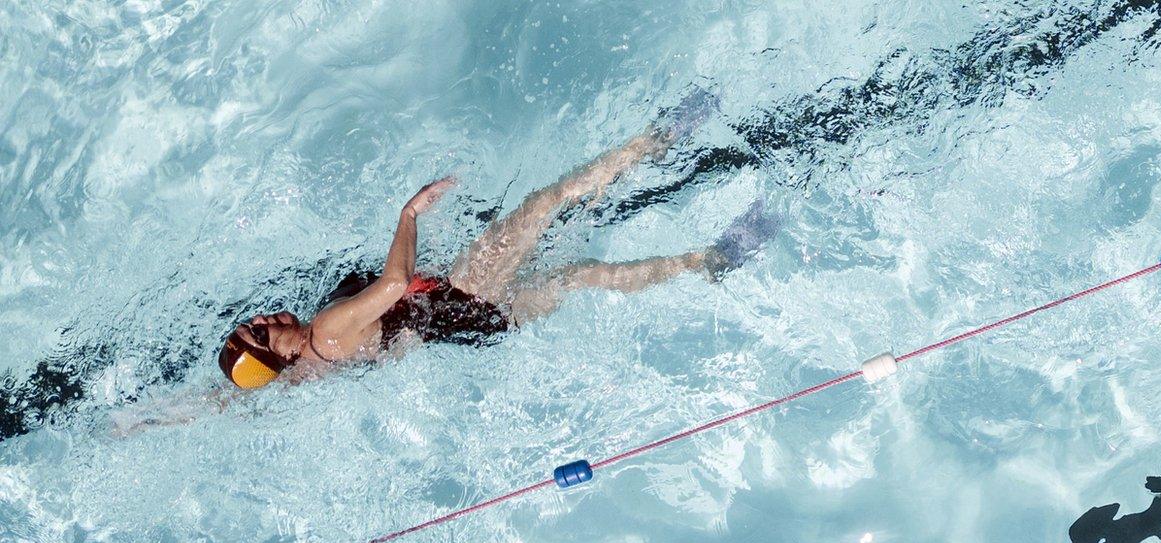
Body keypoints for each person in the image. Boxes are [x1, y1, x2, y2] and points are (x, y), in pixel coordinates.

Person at [216, 92, 774, 391]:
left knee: (577, 276)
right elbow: (392, 283)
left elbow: (233, 398)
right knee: (544, 202)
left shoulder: (307, 370)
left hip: (476, 325)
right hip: (461, 294)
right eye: (258, 329)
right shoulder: (327, 335)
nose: (263, 317)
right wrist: (408, 214)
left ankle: (710, 262)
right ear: (273, 352)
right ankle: (659, 139)